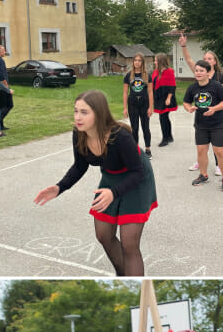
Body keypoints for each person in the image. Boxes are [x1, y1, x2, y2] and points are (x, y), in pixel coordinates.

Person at [34, 90, 157, 276]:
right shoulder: (79, 133)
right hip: (111, 177)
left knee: (129, 244)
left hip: (137, 179)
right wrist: (60, 187)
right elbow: (79, 166)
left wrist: (114, 193)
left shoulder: (119, 136)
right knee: (103, 235)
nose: (78, 117)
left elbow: (137, 172)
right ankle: (123, 276)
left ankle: (134, 285)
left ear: (99, 114)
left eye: (84, 112)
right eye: (76, 111)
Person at [177, 36, 223, 175]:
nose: (206, 60)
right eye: (205, 58)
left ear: (215, 61)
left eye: (209, 58)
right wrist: (183, 46)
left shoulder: (219, 77)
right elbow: (188, 60)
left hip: (216, 114)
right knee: (202, 146)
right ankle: (201, 163)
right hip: (201, 118)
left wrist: (215, 108)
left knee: (218, 147)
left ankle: (219, 165)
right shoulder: (199, 73)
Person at [183, 60, 223, 191]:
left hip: (217, 124)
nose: (198, 73)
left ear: (208, 73)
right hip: (200, 124)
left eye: (201, 71)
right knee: (201, 150)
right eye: (196, 71)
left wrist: (214, 109)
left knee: (219, 151)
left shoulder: (216, 86)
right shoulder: (192, 88)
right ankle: (203, 175)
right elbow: (186, 102)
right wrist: (189, 108)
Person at [122, 55, 154, 157]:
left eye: (139, 60)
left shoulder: (147, 75)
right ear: (133, 62)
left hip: (144, 104)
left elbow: (150, 92)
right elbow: (125, 92)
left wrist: (151, 107)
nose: (137, 62)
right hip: (133, 104)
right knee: (134, 127)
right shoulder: (128, 75)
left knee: (145, 126)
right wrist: (125, 108)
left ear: (142, 62)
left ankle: (148, 149)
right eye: (135, 60)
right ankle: (135, 148)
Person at [152, 53, 178, 147]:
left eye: (155, 60)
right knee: (165, 118)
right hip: (158, 98)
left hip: (166, 98)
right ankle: (169, 136)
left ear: (160, 61)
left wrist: (169, 98)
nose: (154, 62)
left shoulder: (169, 71)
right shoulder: (156, 71)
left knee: (163, 118)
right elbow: (153, 83)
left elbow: (172, 85)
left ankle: (165, 139)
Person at [0, 44, 14, 130]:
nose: (5, 52)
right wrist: (6, 87)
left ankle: (0, 125)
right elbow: (1, 75)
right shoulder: (0, 60)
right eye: (4, 50)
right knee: (9, 105)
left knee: (1, 106)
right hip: (2, 87)